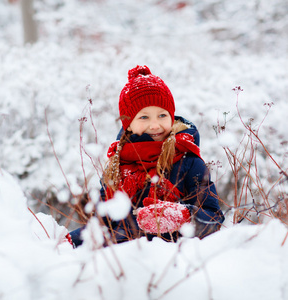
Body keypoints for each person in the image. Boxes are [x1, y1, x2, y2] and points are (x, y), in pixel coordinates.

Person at [70, 65, 224, 246]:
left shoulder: (188, 162)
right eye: (144, 117)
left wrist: (182, 216)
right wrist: (71, 241)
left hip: (173, 262)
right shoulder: (117, 166)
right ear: (128, 124)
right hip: (124, 263)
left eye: (162, 115)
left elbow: (213, 218)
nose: (155, 125)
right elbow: (104, 226)